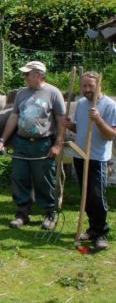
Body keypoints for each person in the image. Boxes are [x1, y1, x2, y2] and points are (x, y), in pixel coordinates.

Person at [0, 61, 65, 230]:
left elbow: (61, 121)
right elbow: (14, 117)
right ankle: (22, 214)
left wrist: (58, 144)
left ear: (38, 75)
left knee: (44, 180)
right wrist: (3, 139)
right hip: (22, 143)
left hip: (42, 144)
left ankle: (50, 213)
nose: (24, 77)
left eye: (27, 74)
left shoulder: (53, 93)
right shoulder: (21, 94)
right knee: (19, 178)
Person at [63, 71, 115, 249]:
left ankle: (101, 233)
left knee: (97, 197)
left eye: (90, 86)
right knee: (86, 197)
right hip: (80, 155)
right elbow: (82, 129)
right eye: (84, 86)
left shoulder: (109, 105)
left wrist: (99, 120)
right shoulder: (82, 104)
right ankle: (93, 229)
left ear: (99, 85)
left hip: (97, 158)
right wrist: (69, 125)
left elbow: (111, 135)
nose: (86, 89)